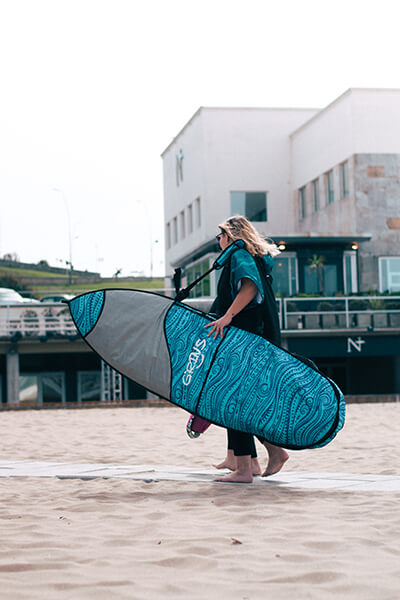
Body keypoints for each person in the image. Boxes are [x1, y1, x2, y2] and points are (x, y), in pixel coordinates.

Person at [204, 215, 289, 483]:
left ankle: (252, 464)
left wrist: (227, 317)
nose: (218, 240)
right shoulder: (250, 256)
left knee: (235, 399)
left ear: (230, 235)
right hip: (254, 337)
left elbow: (249, 287)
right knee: (238, 398)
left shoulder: (239, 254)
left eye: (220, 235)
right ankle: (246, 461)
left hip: (245, 338)